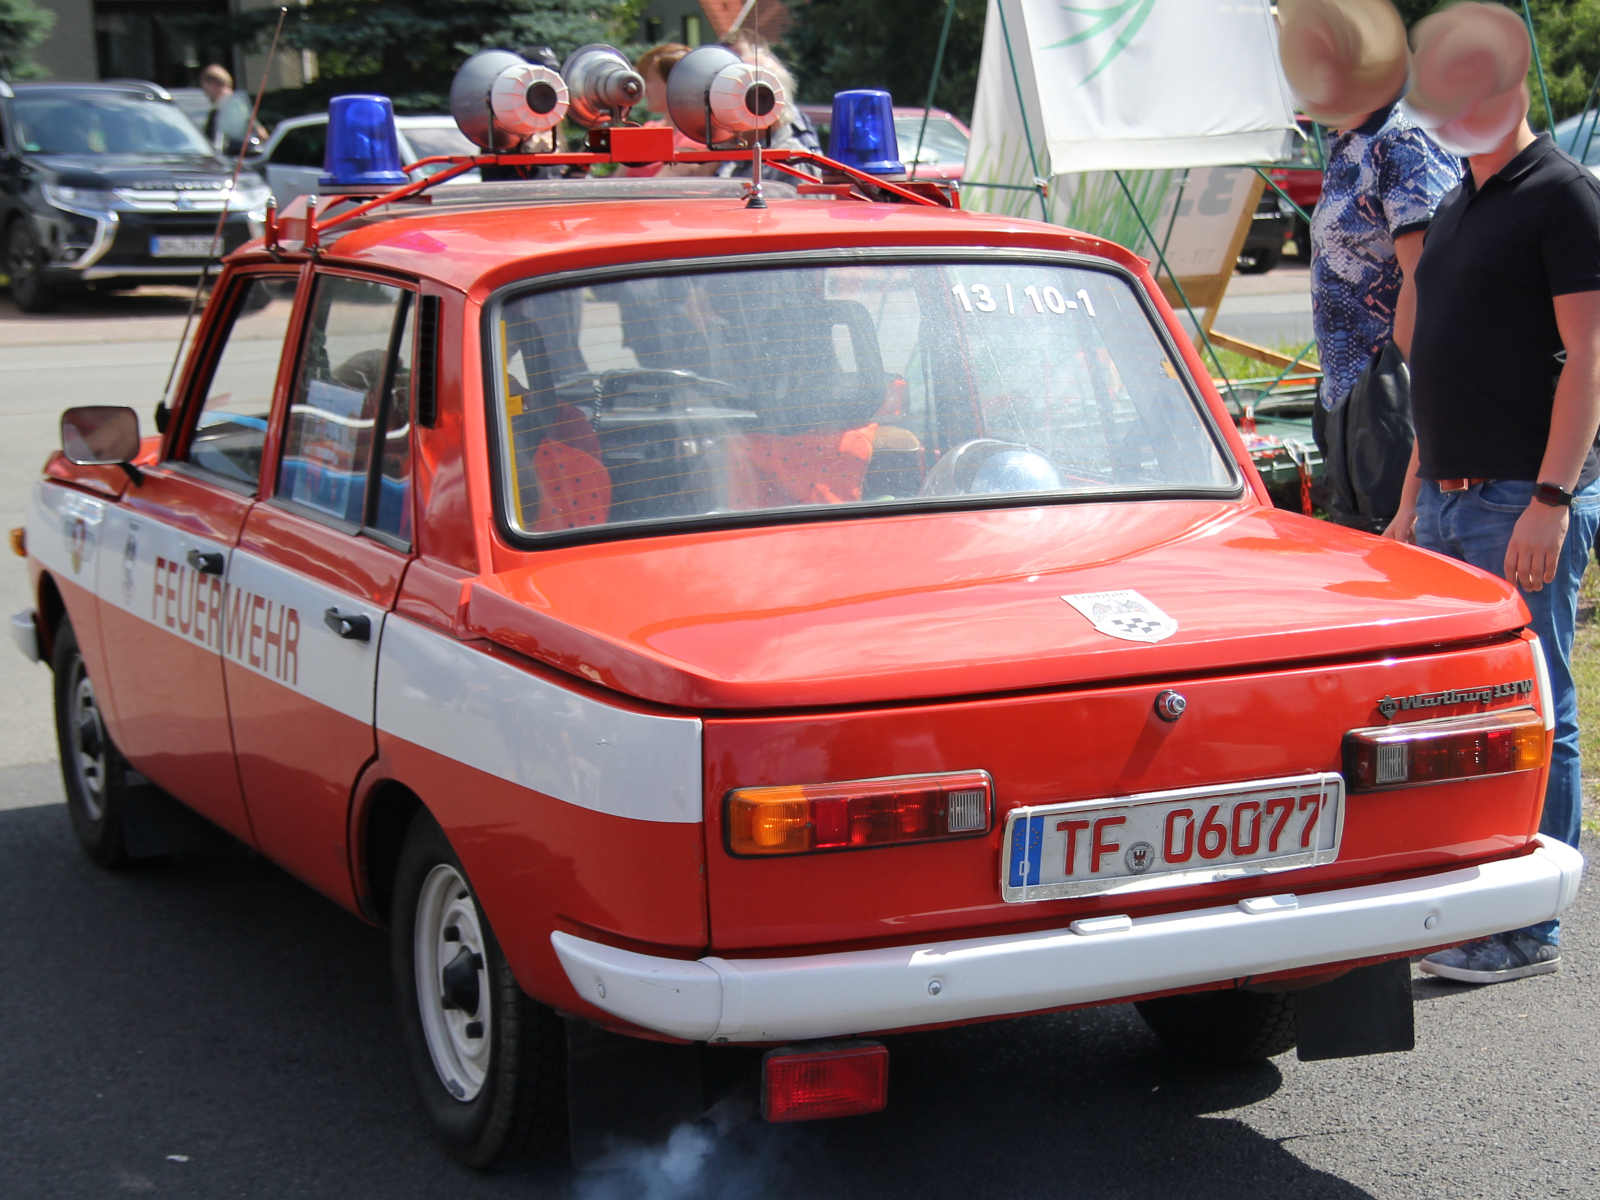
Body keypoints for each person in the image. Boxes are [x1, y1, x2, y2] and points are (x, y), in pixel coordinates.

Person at [1387, 16, 1600, 984]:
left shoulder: (1560, 197)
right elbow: (1439, 363)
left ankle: (1526, 929)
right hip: (1445, 498)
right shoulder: (1459, 203)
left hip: (1519, 497)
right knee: (1465, 712)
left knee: (1537, 703)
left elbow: (1589, 360)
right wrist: (1408, 499)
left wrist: (1551, 499)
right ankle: (1481, 899)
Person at [198, 64, 265, 157]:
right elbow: (263, 135)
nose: (205, 94)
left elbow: (210, 144)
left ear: (213, 84)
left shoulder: (223, 111)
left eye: (205, 88)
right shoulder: (241, 106)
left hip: (232, 161)